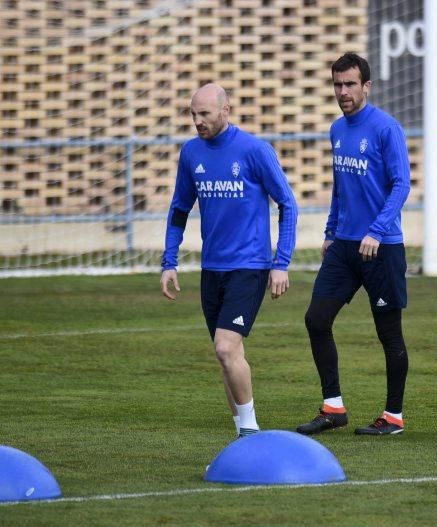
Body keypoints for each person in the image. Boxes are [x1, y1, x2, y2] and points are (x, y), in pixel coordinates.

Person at [160, 83, 297, 438]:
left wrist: (280, 262)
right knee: (227, 356)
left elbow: (288, 204)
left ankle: (251, 432)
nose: (197, 121)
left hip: (249, 267)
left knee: (226, 346)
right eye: (193, 114)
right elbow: (179, 209)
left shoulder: (254, 150)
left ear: (226, 110)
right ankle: (242, 433)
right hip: (212, 270)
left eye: (204, 113)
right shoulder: (191, 153)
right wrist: (169, 261)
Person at [296, 52, 411, 436]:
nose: (343, 91)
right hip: (345, 246)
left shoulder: (386, 128)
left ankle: (393, 417)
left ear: (366, 86)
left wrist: (376, 231)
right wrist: (331, 231)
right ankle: (333, 407)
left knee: (389, 335)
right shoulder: (336, 129)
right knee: (316, 319)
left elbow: (401, 184)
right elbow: (340, 186)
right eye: (337, 84)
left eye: (350, 84)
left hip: (381, 246)